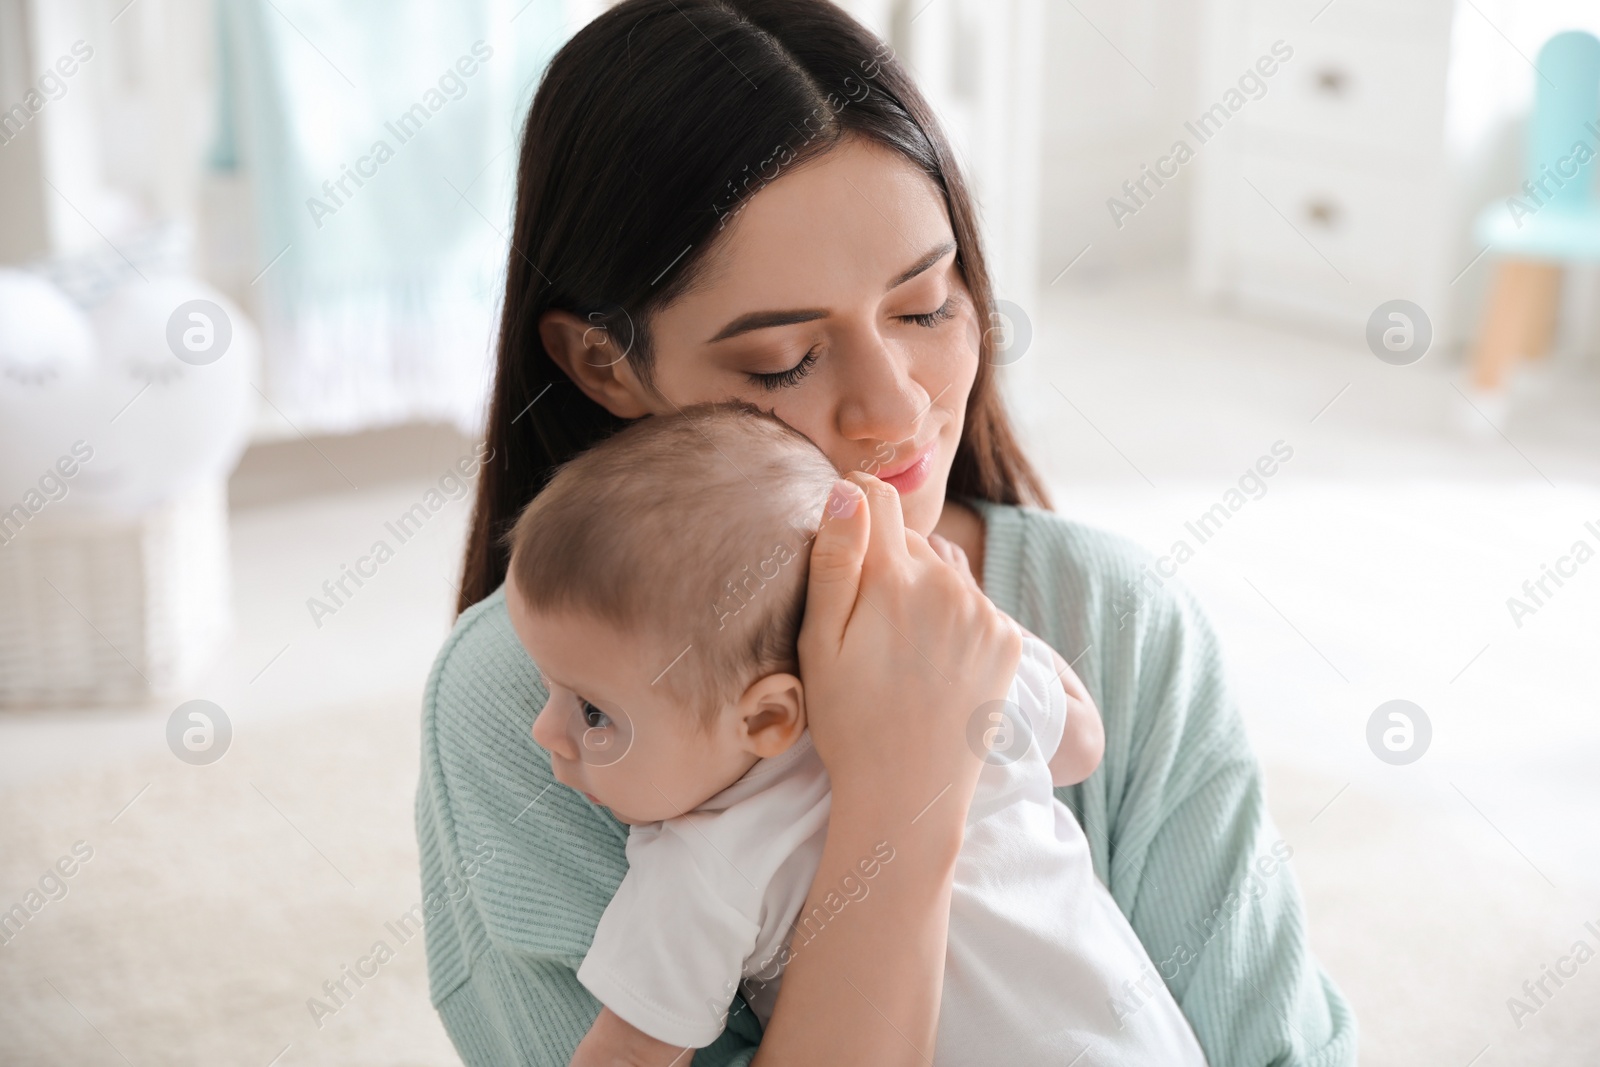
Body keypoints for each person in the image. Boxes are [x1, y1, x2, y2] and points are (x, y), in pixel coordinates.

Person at [415, 1, 1356, 1064]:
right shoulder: (537, 707)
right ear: (605, 364)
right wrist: (901, 795)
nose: (896, 412)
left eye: (922, 307)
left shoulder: (1112, 618)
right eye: (781, 360)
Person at [500, 403, 1207, 1064]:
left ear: (769, 716)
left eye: (592, 712)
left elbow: (628, 1054)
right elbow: (1081, 744)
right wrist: (983, 620)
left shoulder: (710, 860)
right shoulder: (953, 681)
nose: (543, 729)